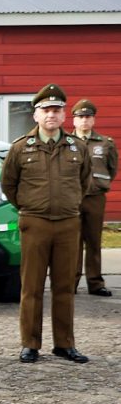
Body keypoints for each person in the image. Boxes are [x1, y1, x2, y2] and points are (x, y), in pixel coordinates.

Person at [3, 84, 91, 364]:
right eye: (45, 110)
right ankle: (30, 343)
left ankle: (64, 344)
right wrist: (29, 207)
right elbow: (9, 185)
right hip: (35, 222)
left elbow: (84, 183)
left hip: (67, 223)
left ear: (64, 115)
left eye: (56, 110)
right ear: (35, 115)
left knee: (65, 286)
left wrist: (69, 204)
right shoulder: (20, 148)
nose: (51, 115)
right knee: (31, 286)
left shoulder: (77, 147)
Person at [70, 99, 116, 297]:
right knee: (72, 242)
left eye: (88, 117)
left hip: (95, 198)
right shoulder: (67, 142)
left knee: (94, 241)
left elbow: (112, 169)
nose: (84, 121)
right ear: (74, 120)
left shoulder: (105, 143)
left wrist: (98, 185)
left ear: (93, 119)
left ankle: (95, 283)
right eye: (80, 117)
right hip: (72, 197)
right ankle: (70, 283)